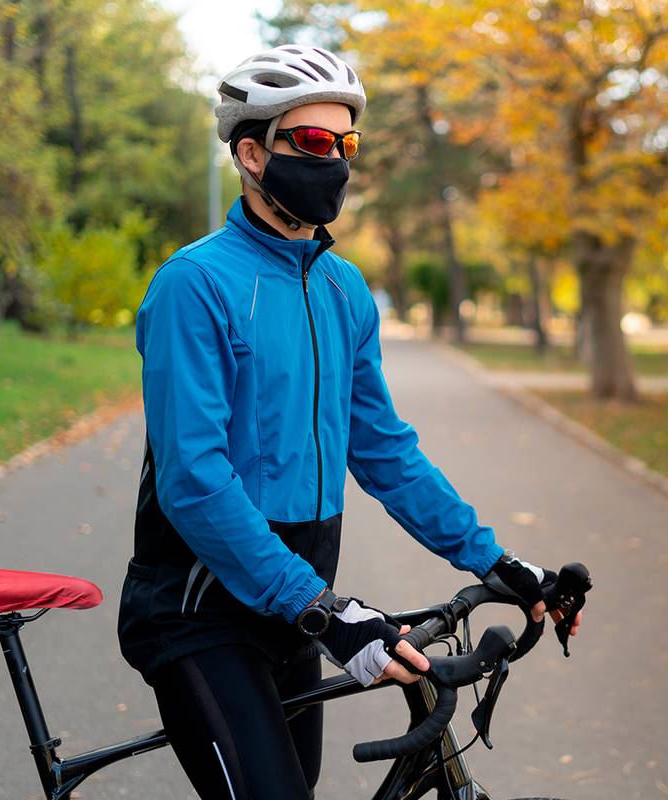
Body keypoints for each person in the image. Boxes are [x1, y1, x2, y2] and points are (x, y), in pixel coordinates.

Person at [117, 44, 582, 800]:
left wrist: (495, 562)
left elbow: (384, 450)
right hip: (197, 613)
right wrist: (324, 610)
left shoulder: (343, 289)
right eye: (310, 142)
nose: (333, 160)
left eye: (345, 144)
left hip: (291, 612)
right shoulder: (193, 286)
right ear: (250, 154)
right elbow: (195, 480)